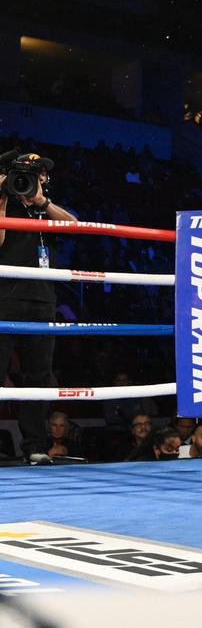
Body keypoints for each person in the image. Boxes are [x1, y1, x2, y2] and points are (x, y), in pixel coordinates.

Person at [0, 149, 78, 450]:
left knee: (39, 376)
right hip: (5, 299)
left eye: (40, 174)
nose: (35, 178)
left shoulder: (45, 208)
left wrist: (41, 201)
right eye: (29, 174)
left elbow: (74, 226)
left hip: (43, 300)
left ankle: (34, 445)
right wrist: (3, 198)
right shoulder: (5, 204)